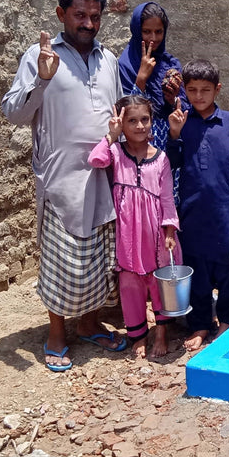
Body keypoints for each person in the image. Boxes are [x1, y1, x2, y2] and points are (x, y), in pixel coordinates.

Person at [1, 0, 126, 372]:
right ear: (61, 15)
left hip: (103, 178)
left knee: (99, 260)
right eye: (79, 15)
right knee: (61, 262)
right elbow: (14, 113)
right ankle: (56, 333)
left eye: (94, 16)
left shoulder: (108, 59)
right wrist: (42, 79)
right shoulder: (39, 57)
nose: (88, 23)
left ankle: (89, 323)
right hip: (60, 182)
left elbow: (118, 110)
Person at [166, 59, 229, 351]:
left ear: (217, 89)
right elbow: (173, 164)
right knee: (197, 270)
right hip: (192, 211)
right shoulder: (181, 121)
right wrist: (175, 135)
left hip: (227, 210)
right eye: (192, 90)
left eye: (205, 90)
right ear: (184, 90)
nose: (198, 96)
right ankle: (201, 323)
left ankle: (228, 320)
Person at [89, 95, 180, 359]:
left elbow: (166, 197)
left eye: (145, 119)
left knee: (160, 282)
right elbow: (96, 160)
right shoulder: (116, 153)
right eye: (132, 121)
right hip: (128, 233)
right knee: (130, 284)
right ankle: (138, 336)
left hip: (155, 233)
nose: (140, 126)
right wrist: (111, 135)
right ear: (121, 122)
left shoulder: (161, 158)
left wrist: (170, 230)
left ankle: (161, 333)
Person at [118, 2, 184, 149]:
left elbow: (184, 108)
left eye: (159, 31)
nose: (153, 38)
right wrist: (141, 78)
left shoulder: (170, 64)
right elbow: (126, 111)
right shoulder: (126, 65)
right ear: (137, 31)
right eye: (146, 31)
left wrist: (172, 100)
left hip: (169, 147)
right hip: (138, 150)